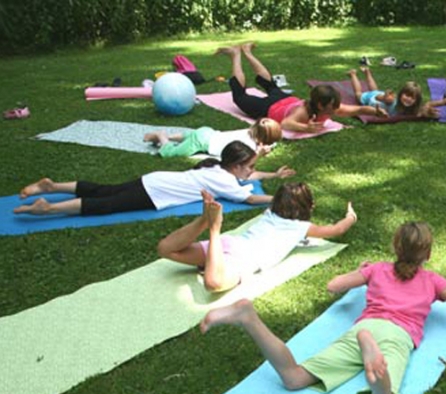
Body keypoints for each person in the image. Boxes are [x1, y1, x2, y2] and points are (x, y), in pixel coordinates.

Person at [199, 221, 446, 394]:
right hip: (398, 335)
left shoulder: (377, 269)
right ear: (427, 253)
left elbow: (333, 285)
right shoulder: (433, 281)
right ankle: (375, 374)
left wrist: (362, 272)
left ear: (396, 247)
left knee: (294, 378)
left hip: (365, 327)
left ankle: (248, 318)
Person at [157, 184, 356, 292]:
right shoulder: (301, 227)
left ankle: (204, 220)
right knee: (214, 283)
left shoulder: (269, 213)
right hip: (245, 258)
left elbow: (164, 249)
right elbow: (336, 229)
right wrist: (350, 217)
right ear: (310, 207)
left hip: (231, 244)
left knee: (165, 249)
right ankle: (213, 227)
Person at [14, 141, 293, 216]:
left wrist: (272, 172)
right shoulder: (226, 182)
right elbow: (250, 198)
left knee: (105, 190)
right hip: (154, 194)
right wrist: (279, 198)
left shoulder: (216, 168)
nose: (251, 172)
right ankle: (50, 207)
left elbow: (249, 176)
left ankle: (53, 186)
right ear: (236, 165)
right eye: (249, 167)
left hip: (154, 180)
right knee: (107, 205)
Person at [217, 43, 387, 134]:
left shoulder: (331, 107)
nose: (335, 109)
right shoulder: (303, 112)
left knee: (270, 84)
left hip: (286, 100)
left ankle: (247, 51)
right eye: (332, 107)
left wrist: (375, 111)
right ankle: (236, 54)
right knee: (239, 96)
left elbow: (356, 109)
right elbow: (286, 123)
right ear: (320, 105)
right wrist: (306, 128)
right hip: (270, 107)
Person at [143, 117, 282, 159]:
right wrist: (260, 153)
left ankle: (169, 136)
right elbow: (249, 160)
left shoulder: (248, 131)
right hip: (202, 142)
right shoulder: (248, 146)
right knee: (172, 153)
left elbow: (271, 141)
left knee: (189, 137)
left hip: (208, 132)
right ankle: (162, 136)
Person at [347, 67, 436, 118]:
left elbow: (419, 112)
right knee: (358, 94)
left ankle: (367, 72)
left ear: (416, 101)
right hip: (371, 99)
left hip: (379, 94)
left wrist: (426, 113)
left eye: (412, 98)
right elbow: (377, 97)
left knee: (375, 89)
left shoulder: (411, 108)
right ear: (401, 94)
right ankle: (353, 74)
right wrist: (383, 98)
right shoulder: (391, 100)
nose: (409, 99)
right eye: (407, 95)